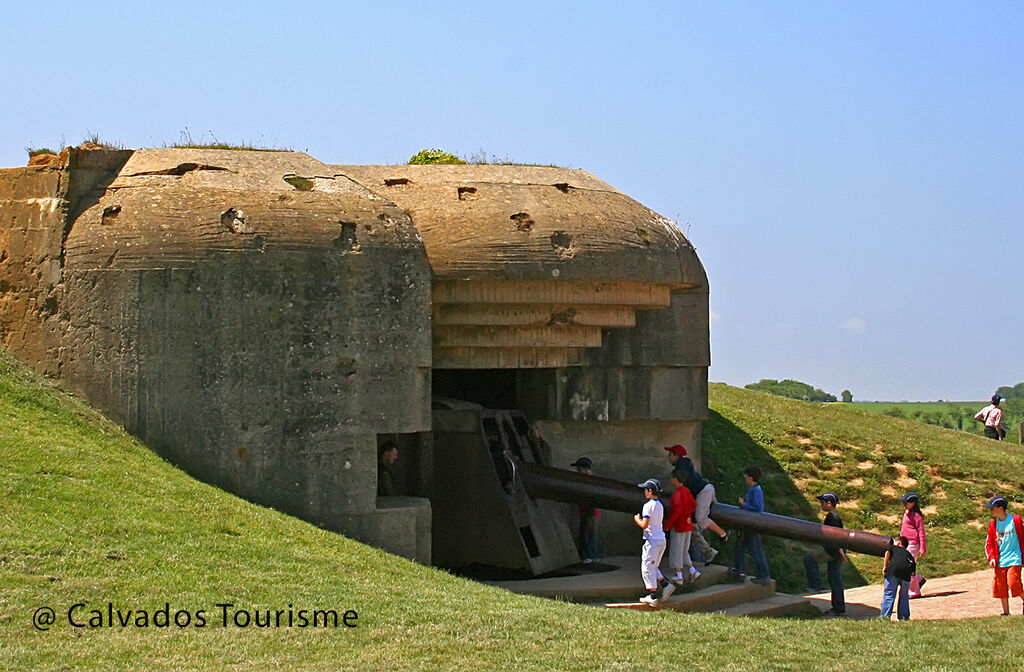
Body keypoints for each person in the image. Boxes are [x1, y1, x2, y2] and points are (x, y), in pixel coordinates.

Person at [663, 444, 728, 563]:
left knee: (701, 518)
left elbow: (689, 484)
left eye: (670, 455)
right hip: (705, 490)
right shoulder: (684, 464)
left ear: (675, 456)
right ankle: (708, 553)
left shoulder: (681, 467)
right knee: (700, 524)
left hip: (703, 492)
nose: (668, 458)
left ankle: (723, 533)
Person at [803, 492, 846, 616]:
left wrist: (841, 553)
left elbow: (837, 536)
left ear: (829, 503)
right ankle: (839, 608)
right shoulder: (834, 516)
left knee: (809, 560)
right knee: (835, 579)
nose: (821, 504)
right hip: (834, 551)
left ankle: (817, 585)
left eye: (822, 502)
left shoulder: (832, 517)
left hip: (831, 551)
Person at [729, 466, 771, 585]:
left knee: (755, 550)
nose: (745, 477)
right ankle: (740, 570)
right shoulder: (753, 489)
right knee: (740, 547)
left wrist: (744, 504)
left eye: (746, 475)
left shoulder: (756, 490)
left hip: (752, 525)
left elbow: (758, 508)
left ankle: (763, 575)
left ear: (751, 477)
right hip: (748, 524)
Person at [984, 496, 1024, 616]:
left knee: (1014, 583)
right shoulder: (993, 525)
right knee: (1000, 587)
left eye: (993, 508)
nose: (991, 511)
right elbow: (989, 543)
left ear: (1001, 508)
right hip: (1000, 560)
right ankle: (1006, 612)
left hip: (1015, 558)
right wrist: (991, 558)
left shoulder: (1015, 520)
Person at [633, 478, 668, 606]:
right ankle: (666, 585)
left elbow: (644, 524)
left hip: (652, 541)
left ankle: (652, 595)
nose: (644, 492)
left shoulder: (648, 506)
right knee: (653, 566)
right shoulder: (660, 505)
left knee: (647, 567)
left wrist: (637, 519)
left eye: (645, 490)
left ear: (650, 491)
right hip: (661, 540)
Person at [664, 468, 700, 585]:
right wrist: (687, 514)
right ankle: (692, 569)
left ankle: (678, 574)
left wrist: (668, 524)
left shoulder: (677, 493)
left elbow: (677, 510)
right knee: (685, 550)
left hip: (679, 525)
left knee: (676, 549)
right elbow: (694, 504)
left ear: (675, 479)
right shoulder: (686, 491)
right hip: (688, 524)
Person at [570, 457, 600, 563]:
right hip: (586, 511)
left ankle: (589, 555)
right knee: (587, 533)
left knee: (588, 533)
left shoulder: (589, 481)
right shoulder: (587, 480)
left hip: (589, 511)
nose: (577, 471)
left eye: (579, 469)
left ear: (585, 469)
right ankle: (590, 555)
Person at [879, 536, 915, 621]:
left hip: (893, 572)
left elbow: (887, 552)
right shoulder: (908, 553)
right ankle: (904, 617)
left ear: (898, 543)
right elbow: (913, 566)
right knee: (904, 595)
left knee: (889, 594)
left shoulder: (893, 548)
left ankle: (884, 617)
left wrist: (885, 566)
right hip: (906, 574)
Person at [900, 492, 927, 598]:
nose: (905, 504)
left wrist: (922, 548)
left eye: (907, 502)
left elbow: (921, 533)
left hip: (913, 543)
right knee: (906, 565)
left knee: (909, 567)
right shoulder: (906, 512)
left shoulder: (917, 516)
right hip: (905, 543)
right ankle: (919, 580)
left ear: (914, 503)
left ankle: (914, 591)